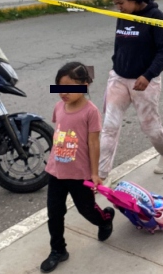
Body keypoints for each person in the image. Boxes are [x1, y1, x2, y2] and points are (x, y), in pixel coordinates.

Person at [98, 0, 163, 183]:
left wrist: (148, 75)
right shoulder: (123, 14)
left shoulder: (155, 16)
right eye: (115, 4)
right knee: (109, 126)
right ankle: (102, 174)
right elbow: (120, 45)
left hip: (145, 82)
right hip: (119, 78)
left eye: (121, 3)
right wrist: (117, 66)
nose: (118, 7)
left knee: (149, 126)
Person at [42, 62, 115, 273]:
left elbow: (93, 143)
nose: (63, 93)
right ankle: (58, 250)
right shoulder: (59, 107)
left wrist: (94, 173)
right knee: (55, 213)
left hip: (79, 174)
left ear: (84, 85)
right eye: (59, 87)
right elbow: (60, 133)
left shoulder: (91, 112)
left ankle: (105, 219)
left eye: (69, 88)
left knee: (87, 210)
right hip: (56, 171)